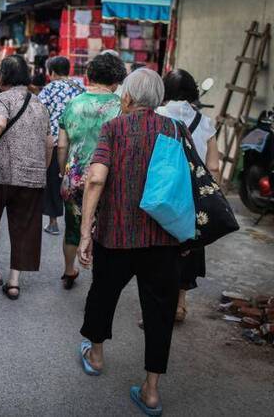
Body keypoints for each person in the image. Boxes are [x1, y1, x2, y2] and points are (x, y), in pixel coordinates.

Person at [77, 68, 186, 415]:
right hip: (163, 237)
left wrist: (85, 232)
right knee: (159, 310)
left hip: (117, 235)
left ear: (126, 97)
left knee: (103, 295)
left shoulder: (114, 128)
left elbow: (95, 179)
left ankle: (95, 356)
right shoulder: (174, 129)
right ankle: (152, 390)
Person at [0, 55, 54, 300]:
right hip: (32, 177)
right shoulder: (40, 104)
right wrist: (41, 168)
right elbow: (49, 143)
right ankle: (14, 282)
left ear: (4, 75)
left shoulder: (3, 99)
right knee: (23, 228)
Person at [156, 69, 220, 322]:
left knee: (160, 247)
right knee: (190, 245)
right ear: (193, 92)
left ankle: (159, 304)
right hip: (194, 194)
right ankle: (180, 304)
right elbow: (213, 166)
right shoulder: (205, 122)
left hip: (164, 191)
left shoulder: (158, 115)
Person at [57, 53, 125, 289]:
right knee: (103, 229)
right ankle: (101, 279)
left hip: (73, 176)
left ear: (90, 75)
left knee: (73, 227)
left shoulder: (73, 103)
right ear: (117, 80)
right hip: (106, 177)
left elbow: (63, 144)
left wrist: (62, 172)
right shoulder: (120, 106)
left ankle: (69, 270)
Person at [37, 56, 85, 236]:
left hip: (56, 143)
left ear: (52, 72)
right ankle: (77, 223)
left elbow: (39, 111)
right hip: (77, 145)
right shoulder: (80, 88)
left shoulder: (49, 88)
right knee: (75, 182)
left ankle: (53, 222)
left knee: (53, 181)